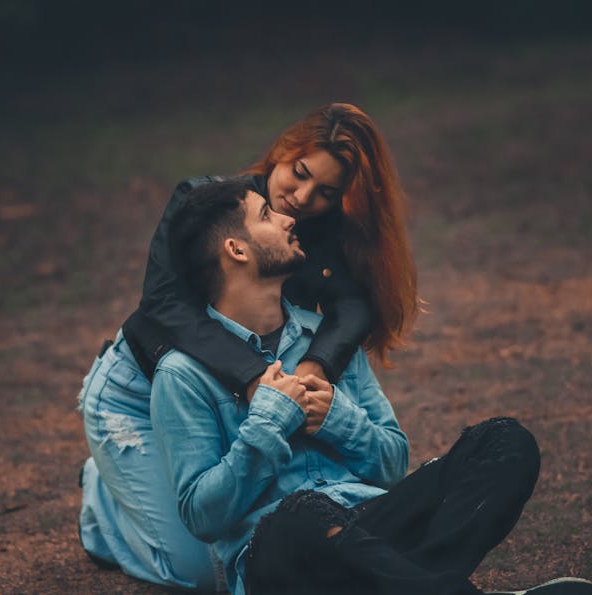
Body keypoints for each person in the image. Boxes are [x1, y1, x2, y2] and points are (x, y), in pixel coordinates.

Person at [151, 180, 592, 595]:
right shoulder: (183, 375)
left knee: (505, 442)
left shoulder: (325, 341)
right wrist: (268, 423)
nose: (289, 218)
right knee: (297, 514)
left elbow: (391, 465)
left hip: (374, 528)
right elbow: (203, 517)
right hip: (281, 558)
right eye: (267, 215)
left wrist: (337, 420)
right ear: (236, 249)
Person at [78, 103, 417, 589]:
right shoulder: (205, 202)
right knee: (199, 573)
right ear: (283, 151)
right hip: (138, 392)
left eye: (326, 192)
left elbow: (354, 306)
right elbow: (165, 306)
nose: (302, 198)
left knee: (237, 537)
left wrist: (320, 365)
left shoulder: (311, 234)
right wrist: (254, 377)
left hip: (216, 404)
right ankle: (103, 504)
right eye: (299, 174)